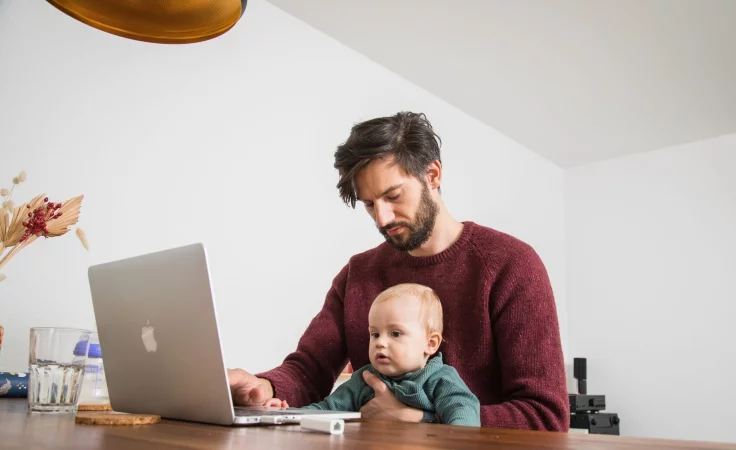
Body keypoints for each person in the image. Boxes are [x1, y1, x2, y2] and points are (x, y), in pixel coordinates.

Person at [227, 112, 570, 430]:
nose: (382, 218)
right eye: (369, 204)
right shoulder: (358, 274)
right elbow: (308, 369)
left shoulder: (510, 264)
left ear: (432, 175)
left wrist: (422, 421)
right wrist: (264, 387)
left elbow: (546, 417)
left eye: (393, 196)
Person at [267, 283, 481, 427]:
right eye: (375, 334)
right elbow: (327, 409)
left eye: (395, 333)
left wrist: (426, 422)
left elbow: (463, 415)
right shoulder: (364, 379)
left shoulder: (441, 379)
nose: (380, 343)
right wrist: (286, 414)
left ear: (430, 343)